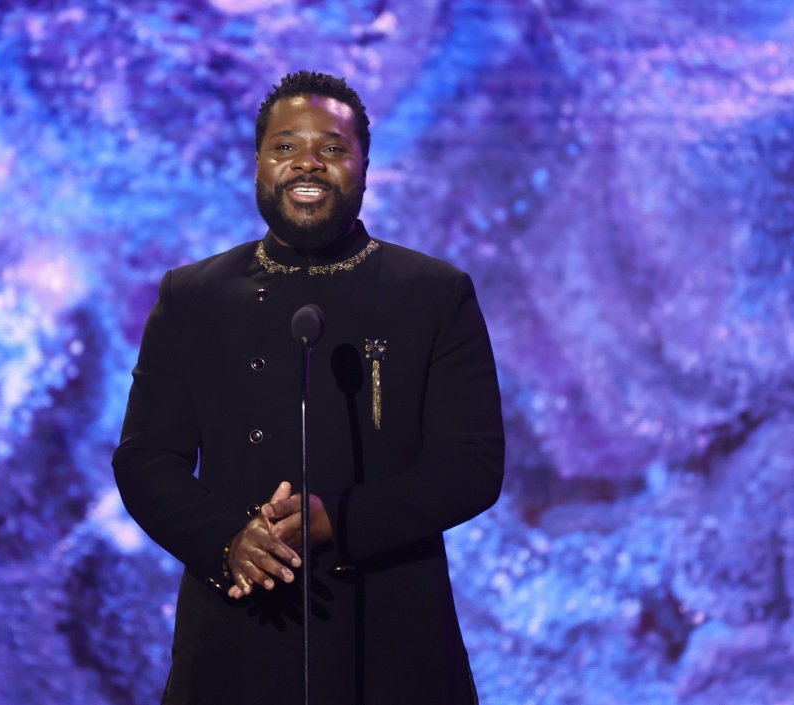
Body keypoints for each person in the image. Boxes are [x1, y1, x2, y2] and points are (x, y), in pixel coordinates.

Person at [113, 70, 505, 704]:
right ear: (259, 165)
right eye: (285, 146)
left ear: (364, 167)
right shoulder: (193, 297)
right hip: (238, 625)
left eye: (332, 147)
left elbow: (473, 466)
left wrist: (338, 521)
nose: (308, 164)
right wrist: (228, 543)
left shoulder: (432, 293)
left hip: (390, 632)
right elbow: (146, 458)